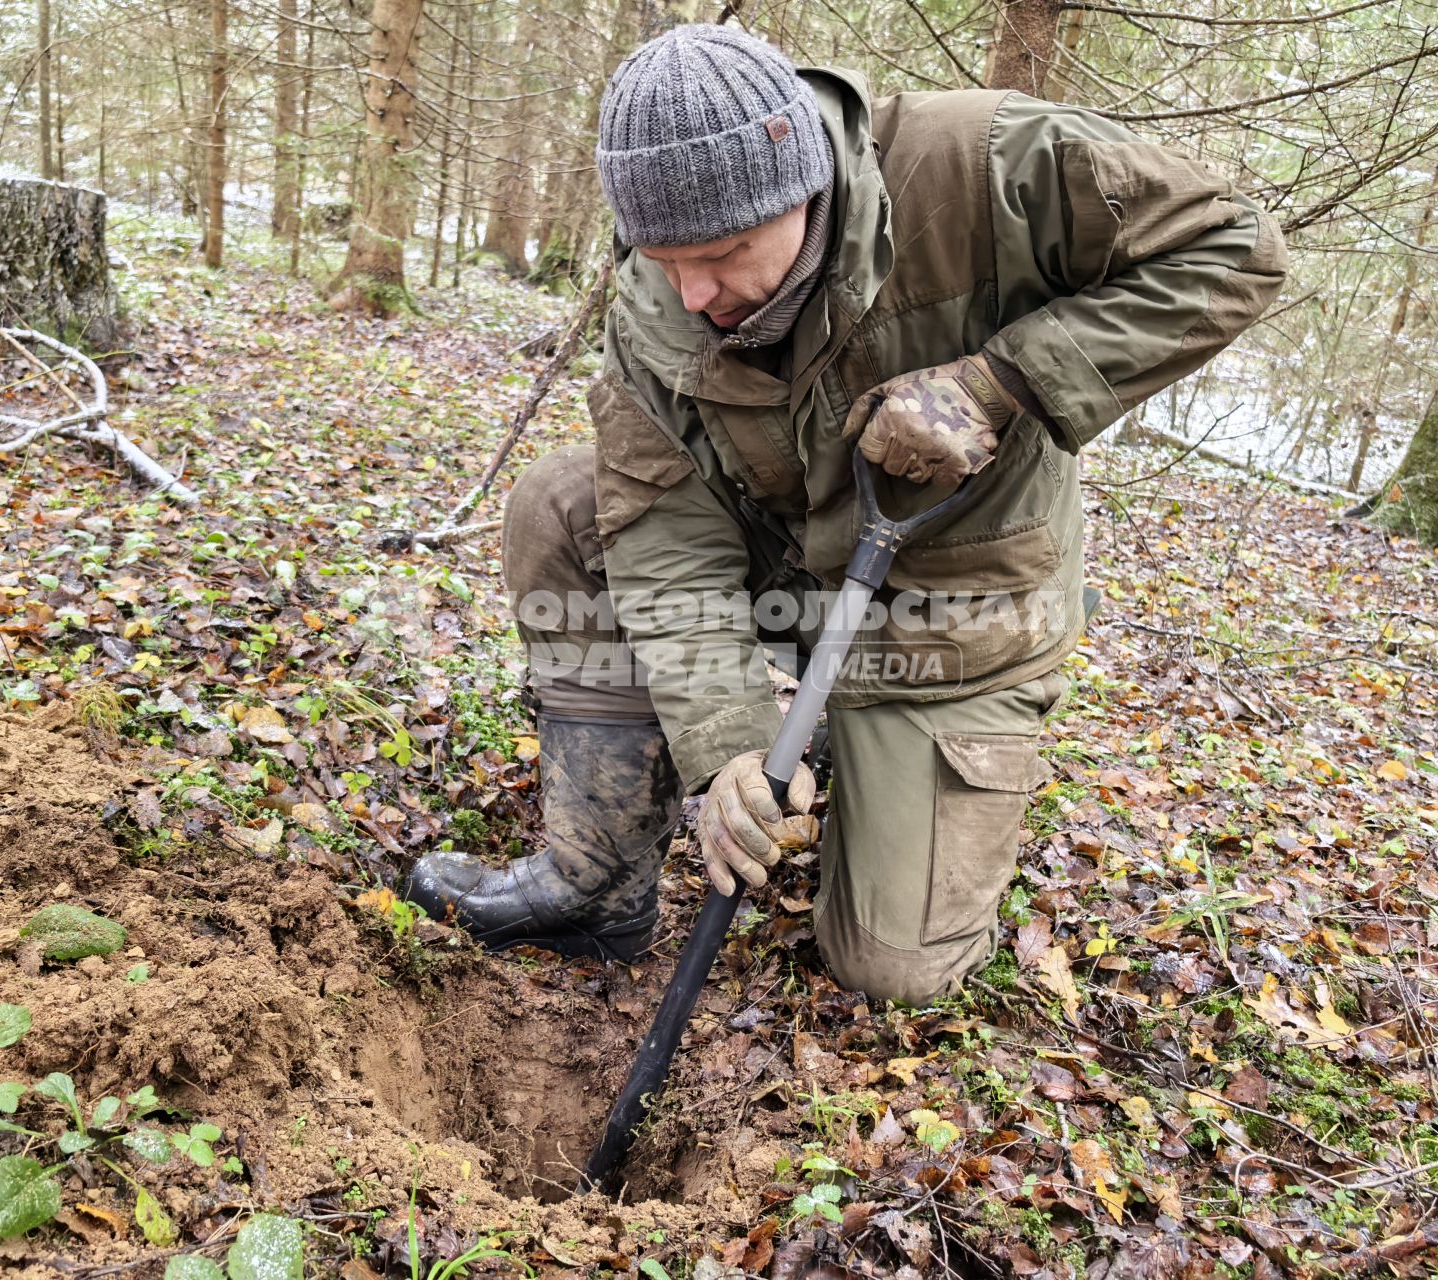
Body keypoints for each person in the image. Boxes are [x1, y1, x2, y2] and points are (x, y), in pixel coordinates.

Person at [407, 25, 1288, 1003]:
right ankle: (599, 881)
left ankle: (863, 750)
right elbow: (665, 532)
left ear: (803, 185)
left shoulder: (984, 166)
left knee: (892, 970)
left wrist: (1004, 382)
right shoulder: (656, 306)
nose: (695, 294)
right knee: (566, 502)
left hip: (951, 610)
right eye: (664, 260)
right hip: (788, 568)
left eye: (724, 253)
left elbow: (1233, 249)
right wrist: (731, 743)